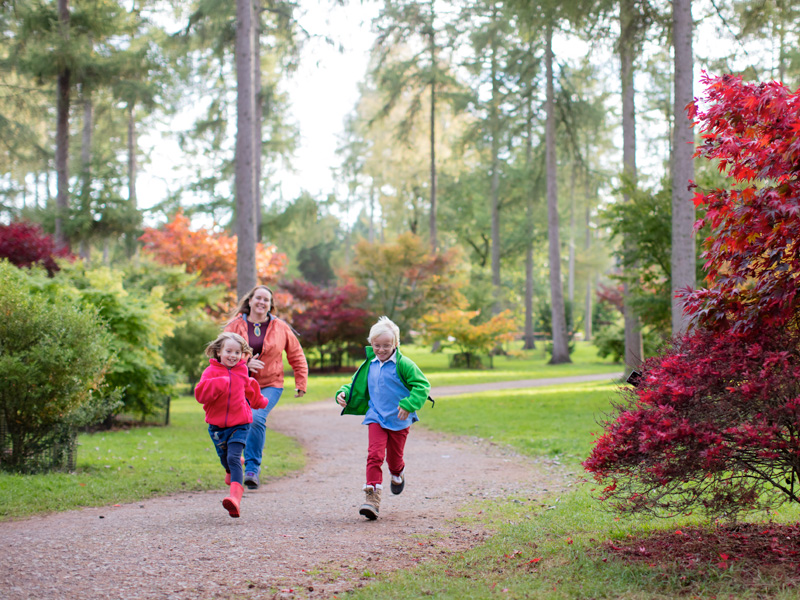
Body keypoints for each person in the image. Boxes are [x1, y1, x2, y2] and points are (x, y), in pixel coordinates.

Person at [336, 316, 431, 520]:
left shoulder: (403, 364)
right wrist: (342, 393)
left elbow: (422, 386)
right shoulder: (369, 364)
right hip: (376, 416)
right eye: (377, 345)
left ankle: (398, 473)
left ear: (395, 344)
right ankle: (372, 497)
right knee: (374, 455)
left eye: (386, 345)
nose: (381, 350)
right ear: (371, 344)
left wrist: (408, 405)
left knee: (394, 460)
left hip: (399, 419)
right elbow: (354, 384)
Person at [224, 284, 308, 490]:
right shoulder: (235, 326)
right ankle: (234, 462)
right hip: (240, 384)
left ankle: (252, 469)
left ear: (270, 305)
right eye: (258, 298)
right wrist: (243, 363)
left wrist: (301, 382)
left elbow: (296, 355)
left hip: (270, 384)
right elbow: (221, 353)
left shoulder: (280, 327)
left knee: (256, 418)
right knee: (234, 423)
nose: (262, 302)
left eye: (266, 300)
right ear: (250, 301)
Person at [195, 332, 267, 518]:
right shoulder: (210, 372)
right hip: (217, 427)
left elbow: (249, 387)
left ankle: (234, 499)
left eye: (237, 352)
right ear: (219, 351)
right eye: (229, 351)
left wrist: (259, 401)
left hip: (240, 423)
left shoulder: (242, 370)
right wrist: (221, 383)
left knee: (234, 457)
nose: (233, 356)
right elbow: (200, 396)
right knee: (226, 459)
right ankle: (230, 468)